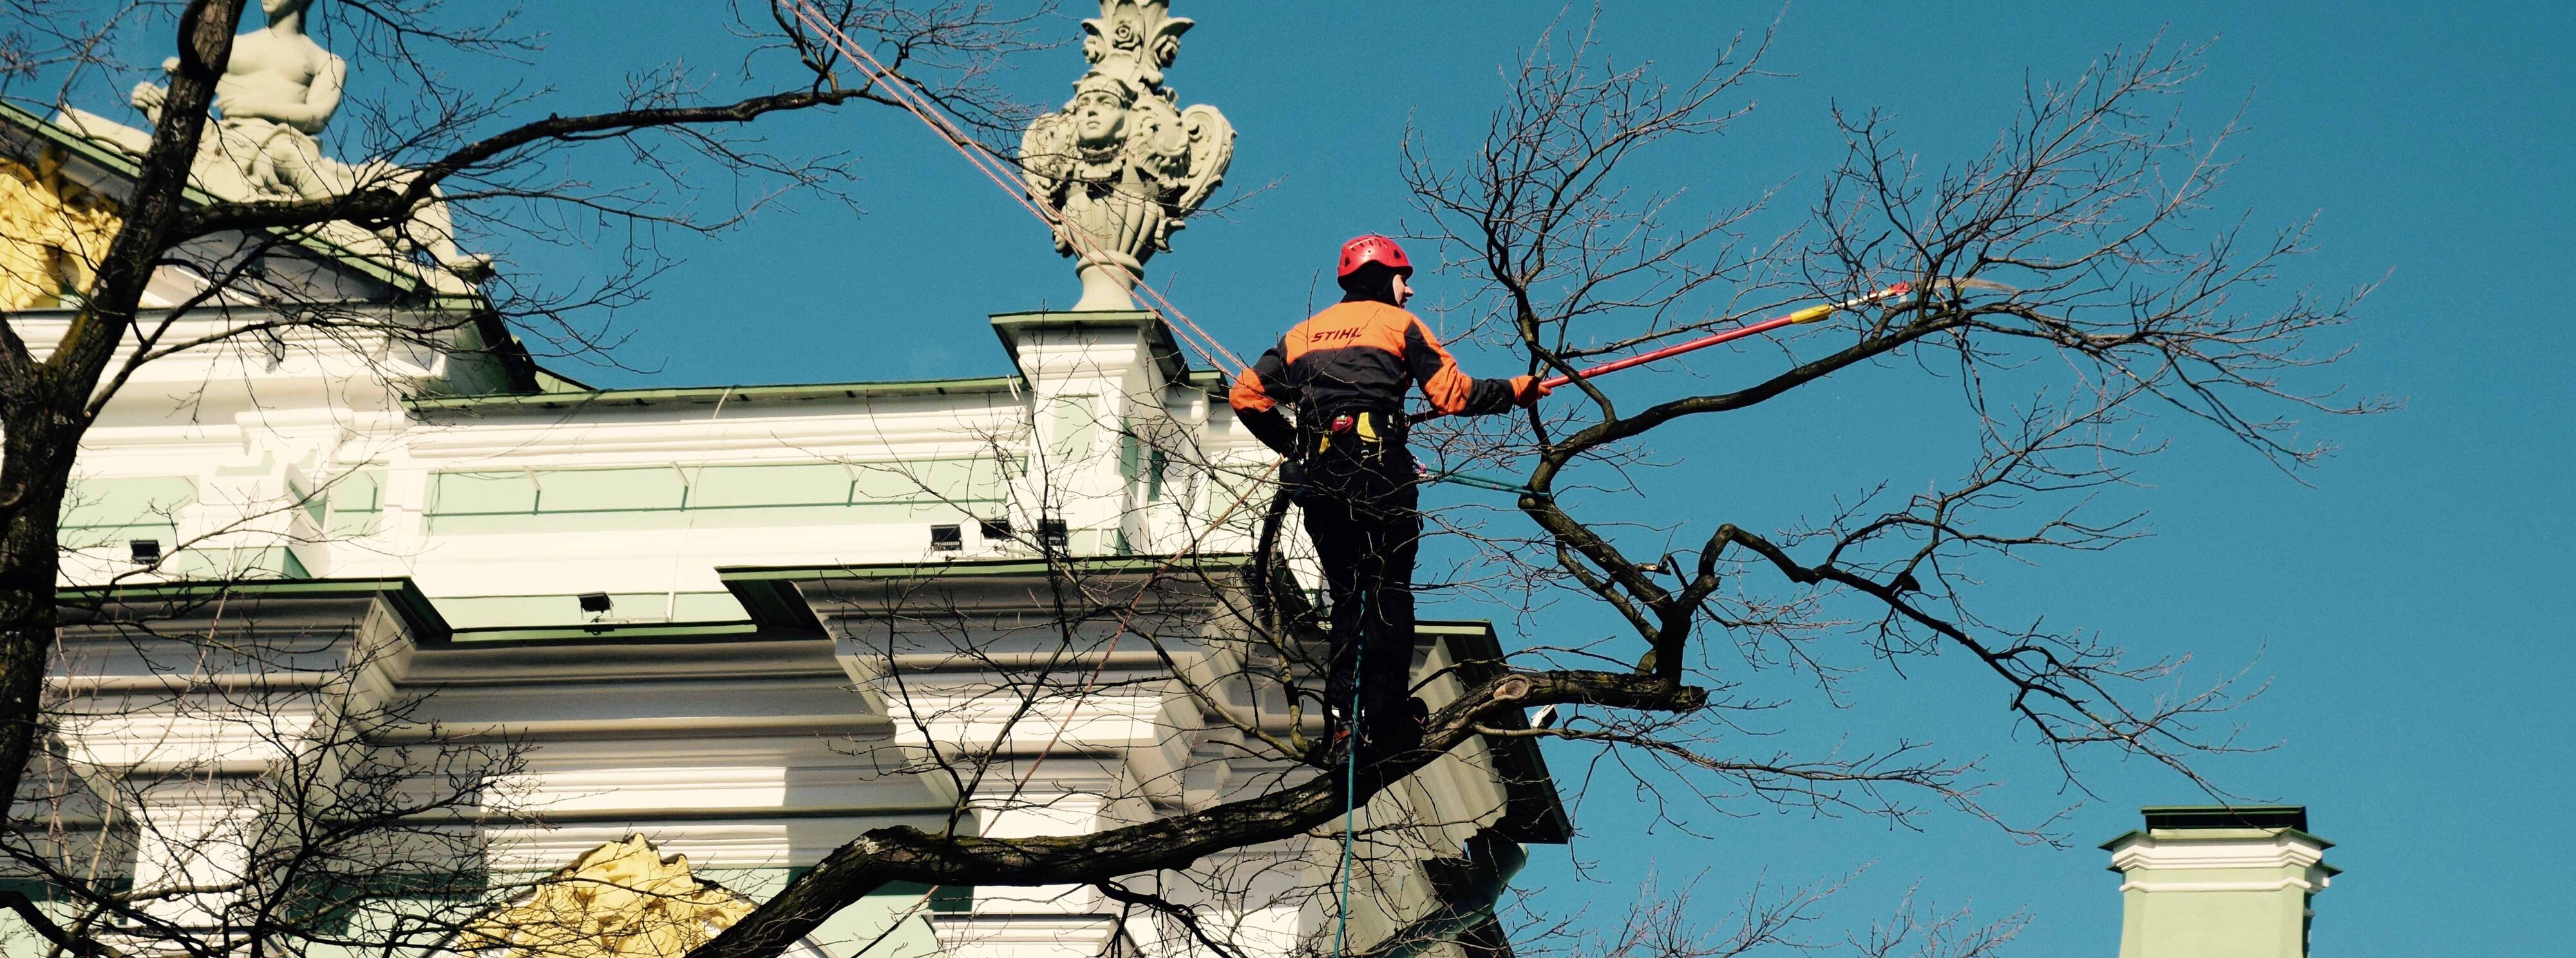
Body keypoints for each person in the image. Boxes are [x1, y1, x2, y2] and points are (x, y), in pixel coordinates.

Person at [1229, 235, 1548, 759]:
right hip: (1379, 472)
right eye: (1405, 279)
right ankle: (1384, 721)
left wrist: (1298, 446)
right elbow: (1453, 395)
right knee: (1387, 593)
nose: (1411, 291)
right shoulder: (1398, 325)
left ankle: (1341, 724)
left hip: (1323, 480)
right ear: (1382, 278)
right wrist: (1516, 390)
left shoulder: (1301, 335)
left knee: (1349, 598)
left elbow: (1245, 394)